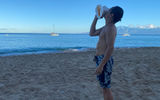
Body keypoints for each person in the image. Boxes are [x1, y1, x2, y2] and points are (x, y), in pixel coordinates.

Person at [89, 6, 124, 100]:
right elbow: (91, 33)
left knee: (106, 88)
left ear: (111, 15)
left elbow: (110, 48)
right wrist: (96, 17)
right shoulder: (106, 27)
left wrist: (101, 65)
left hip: (104, 61)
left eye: (108, 11)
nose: (105, 11)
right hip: (100, 59)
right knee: (104, 87)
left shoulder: (111, 28)